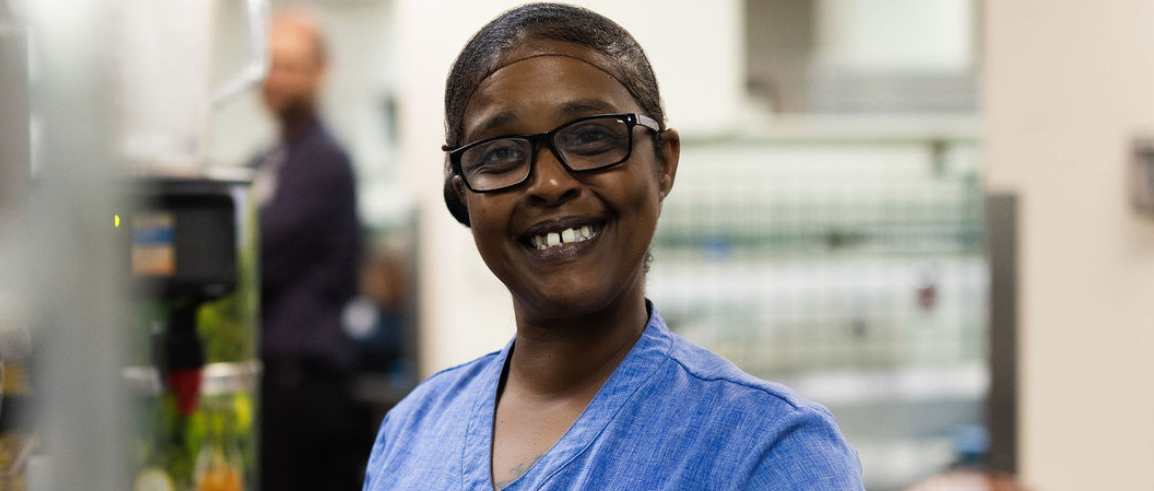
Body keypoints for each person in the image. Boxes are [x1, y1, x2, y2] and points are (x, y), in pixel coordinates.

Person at [365, 4, 863, 489]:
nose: (551, 183)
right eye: (500, 153)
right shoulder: (413, 430)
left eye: (592, 138)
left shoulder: (767, 449)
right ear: (462, 194)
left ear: (664, 163)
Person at [250, 7, 370, 490]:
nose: (276, 78)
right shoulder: (264, 160)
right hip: (271, 383)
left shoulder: (324, 161)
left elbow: (256, 255)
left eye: (290, 65)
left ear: (321, 73)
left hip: (304, 387)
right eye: (268, 65)